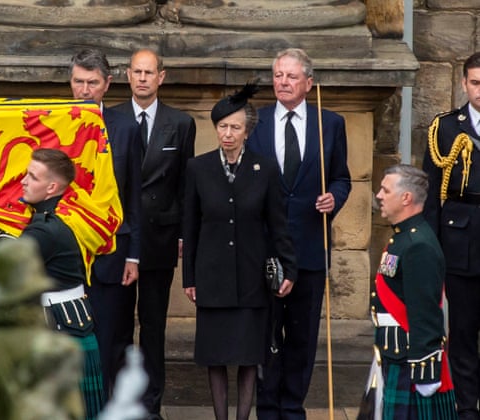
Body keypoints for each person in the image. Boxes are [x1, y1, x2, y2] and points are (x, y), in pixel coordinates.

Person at [182, 83, 297, 420]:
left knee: (249, 358)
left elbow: (278, 225)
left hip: (252, 279)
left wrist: (289, 269)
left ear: (247, 131)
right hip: (212, 276)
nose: (227, 134)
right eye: (222, 126)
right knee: (215, 357)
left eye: (235, 127)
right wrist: (190, 277)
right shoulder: (198, 169)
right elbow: (190, 228)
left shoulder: (265, 168)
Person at [247, 47, 351, 420]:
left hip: (309, 244)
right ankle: (267, 408)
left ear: (308, 82)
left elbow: (341, 178)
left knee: (303, 336)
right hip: (265, 249)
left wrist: (333, 198)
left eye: (291, 76)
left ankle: (293, 408)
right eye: (278, 75)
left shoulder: (331, 124)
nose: (283, 82)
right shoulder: (254, 122)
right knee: (266, 336)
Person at [112, 48, 196, 417]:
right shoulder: (109, 117)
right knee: (116, 328)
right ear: (127, 75)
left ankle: (150, 406)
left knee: (153, 328)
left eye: (150, 72)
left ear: (162, 76)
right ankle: (116, 402)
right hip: (118, 238)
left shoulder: (180, 123)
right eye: (137, 72)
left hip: (160, 240)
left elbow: (185, 186)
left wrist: (182, 235)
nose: (143, 78)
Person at [69, 49, 143, 402]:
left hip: (114, 254)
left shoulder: (127, 128)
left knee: (112, 341)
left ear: (107, 84)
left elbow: (136, 197)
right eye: (78, 82)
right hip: (65, 254)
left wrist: (135, 256)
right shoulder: (51, 124)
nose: (84, 90)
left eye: (92, 83)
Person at [19, 148, 105, 420]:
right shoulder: (68, 217)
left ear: (52, 187)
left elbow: (9, 270)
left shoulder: (45, 229)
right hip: (71, 323)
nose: (23, 181)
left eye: (32, 177)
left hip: (56, 328)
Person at [372, 164, 457, 419]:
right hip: (395, 355)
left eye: (386, 190)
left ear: (406, 198)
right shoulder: (402, 238)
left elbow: (425, 314)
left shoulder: (418, 245)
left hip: (412, 362)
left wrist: (426, 371)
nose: (379, 195)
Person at [423, 51, 480, 420]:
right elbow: (431, 195)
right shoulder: (445, 127)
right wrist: (431, 248)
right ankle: (467, 407)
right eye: (476, 83)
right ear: (463, 83)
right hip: (461, 240)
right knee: (462, 330)